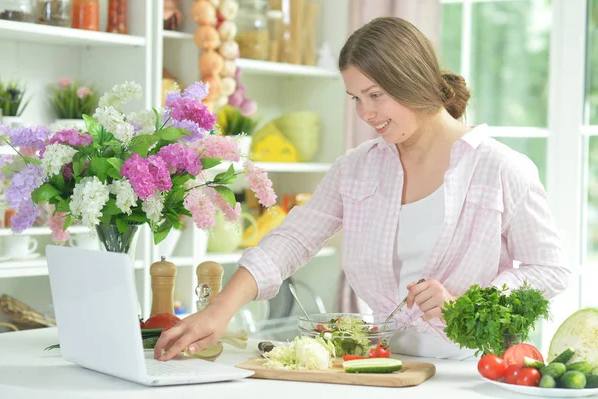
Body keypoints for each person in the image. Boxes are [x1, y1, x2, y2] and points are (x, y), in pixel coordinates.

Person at [154, 16, 570, 361]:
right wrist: (221, 310)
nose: (366, 113)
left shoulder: (501, 168)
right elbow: (292, 239)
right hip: (389, 367)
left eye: (376, 95)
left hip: (477, 371)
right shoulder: (357, 168)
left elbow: (550, 269)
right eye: (355, 97)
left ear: (415, 81)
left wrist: (472, 302)